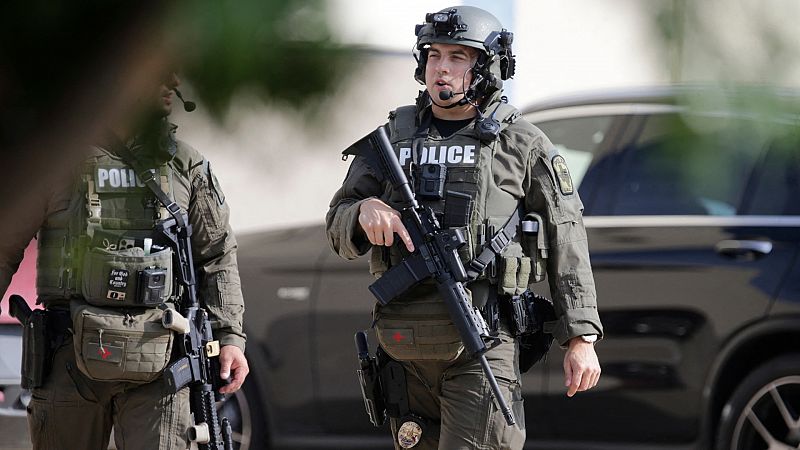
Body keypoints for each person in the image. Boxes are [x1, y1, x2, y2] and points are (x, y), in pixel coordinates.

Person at [327, 6, 602, 449]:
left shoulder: (521, 143)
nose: (442, 68)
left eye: (458, 57)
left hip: (483, 344)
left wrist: (581, 335)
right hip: (404, 347)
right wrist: (362, 212)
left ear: (485, 67)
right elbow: (337, 223)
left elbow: (567, 235)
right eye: (434, 55)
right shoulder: (393, 138)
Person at [0, 72, 248, 449]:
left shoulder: (186, 165)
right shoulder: (55, 162)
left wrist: (229, 338)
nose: (171, 84)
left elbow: (216, 254)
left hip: (162, 364)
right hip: (67, 360)